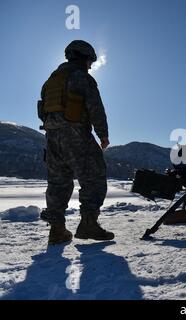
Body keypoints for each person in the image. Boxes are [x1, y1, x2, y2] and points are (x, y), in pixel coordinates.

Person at [38, 40, 114, 245]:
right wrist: (103, 135)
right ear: (84, 57)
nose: (90, 66)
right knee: (94, 176)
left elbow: (43, 109)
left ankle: (57, 230)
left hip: (52, 137)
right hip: (75, 134)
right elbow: (95, 108)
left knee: (58, 182)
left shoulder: (51, 80)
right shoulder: (81, 77)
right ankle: (88, 224)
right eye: (90, 61)